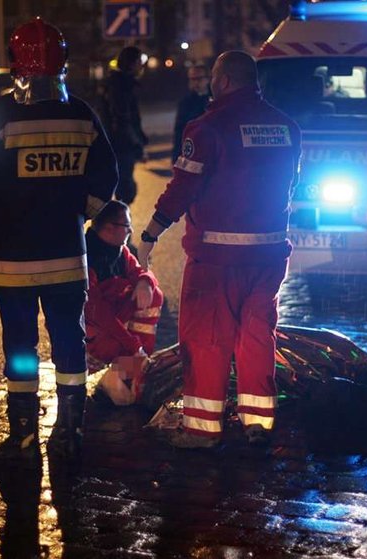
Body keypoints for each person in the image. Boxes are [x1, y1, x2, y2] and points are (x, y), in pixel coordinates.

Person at [0, 18, 118, 466]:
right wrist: (76, 214)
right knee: (69, 342)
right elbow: (107, 176)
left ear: (13, 63)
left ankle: (23, 436)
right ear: (62, 62)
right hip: (67, 259)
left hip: (12, 263)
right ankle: (70, 432)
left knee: (21, 349)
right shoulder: (81, 114)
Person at [136, 51, 302, 449]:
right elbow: (291, 186)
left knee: (208, 340)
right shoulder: (287, 127)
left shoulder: (207, 128)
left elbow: (183, 189)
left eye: (213, 75)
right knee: (258, 335)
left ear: (225, 80)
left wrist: (151, 232)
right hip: (268, 254)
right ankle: (257, 423)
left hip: (216, 257)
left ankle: (202, 430)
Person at [85, 200, 164, 402]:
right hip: (93, 338)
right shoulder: (88, 260)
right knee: (125, 348)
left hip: (112, 329)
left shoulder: (120, 252)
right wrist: (134, 347)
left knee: (153, 293)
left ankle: (129, 371)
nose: (131, 230)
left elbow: (141, 271)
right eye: (126, 225)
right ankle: (115, 374)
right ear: (110, 228)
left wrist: (145, 282)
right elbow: (100, 315)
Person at [102, 46, 148, 205]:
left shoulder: (114, 83)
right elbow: (124, 119)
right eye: (140, 61)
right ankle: (118, 224)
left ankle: (118, 222)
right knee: (125, 189)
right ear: (133, 63)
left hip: (114, 142)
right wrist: (137, 143)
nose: (142, 66)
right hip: (121, 144)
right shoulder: (122, 86)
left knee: (122, 186)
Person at [171, 64, 210, 163]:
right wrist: (176, 157)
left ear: (207, 79)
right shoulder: (186, 102)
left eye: (199, 78)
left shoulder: (216, 98)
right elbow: (180, 130)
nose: (195, 82)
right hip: (195, 151)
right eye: (192, 79)